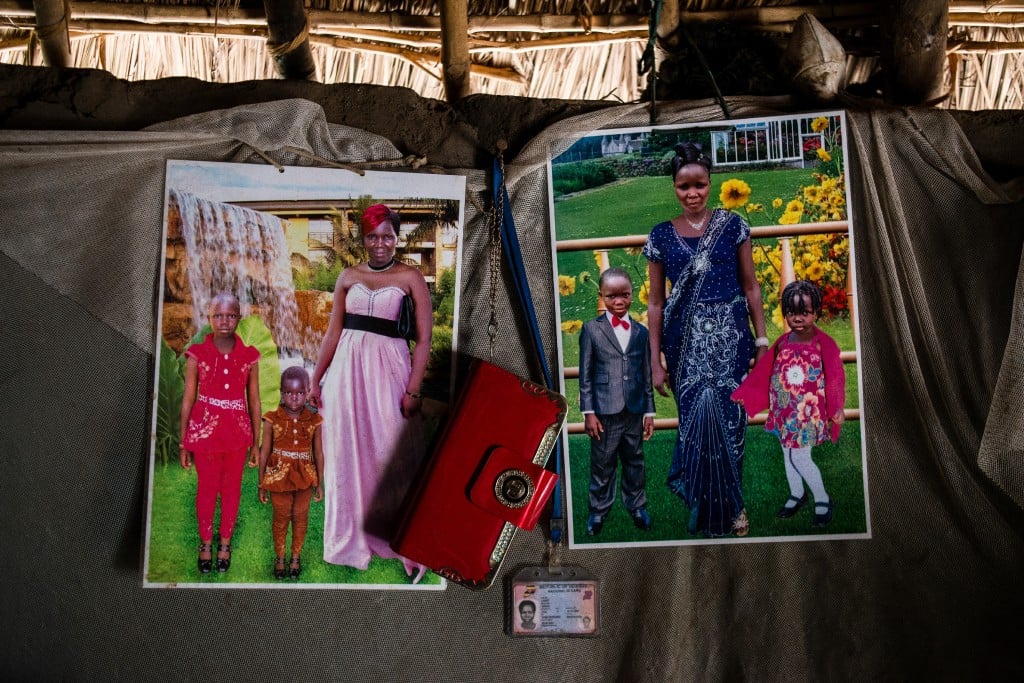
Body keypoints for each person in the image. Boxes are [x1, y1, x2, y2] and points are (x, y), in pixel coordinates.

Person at [643, 142, 768, 538]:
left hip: (732, 341)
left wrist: (762, 340)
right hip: (684, 347)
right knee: (695, 426)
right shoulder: (661, 235)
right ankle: (705, 508)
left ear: (711, 183)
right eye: (684, 186)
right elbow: (656, 303)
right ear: (674, 187)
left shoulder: (733, 226)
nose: (692, 193)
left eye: (699, 184)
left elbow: (751, 287)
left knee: (731, 422)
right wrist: (654, 361)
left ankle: (735, 506)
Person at [309, 203, 433, 580]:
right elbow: (333, 332)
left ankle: (404, 542)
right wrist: (316, 378)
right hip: (345, 373)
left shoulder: (411, 277)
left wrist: (413, 389)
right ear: (363, 239)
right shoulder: (348, 276)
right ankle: (350, 540)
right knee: (346, 451)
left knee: (391, 452)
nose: (380, 244)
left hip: (389, 370)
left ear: (396, 237)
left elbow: (424, 340)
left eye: (387, 236)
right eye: (372, 237)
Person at [732, 280, 846, 527]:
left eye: (805, 312)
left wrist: (837, 407)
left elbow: (836, 377)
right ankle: (797, 493)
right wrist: (747, 392)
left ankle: (823, 499)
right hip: (785, 410)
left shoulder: (823, 343)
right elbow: (764, 371)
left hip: (808, 413)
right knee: (787, 452)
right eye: (792, 312)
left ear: (816, 312)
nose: (798, 318)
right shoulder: (783, 342)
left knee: (800, 457)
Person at [179, 292, 261, 573]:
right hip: (205, 433)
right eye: (218, 316)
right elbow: (188, 399)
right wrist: (184, 442)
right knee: (207, 487)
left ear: (239, 317)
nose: (224, 321)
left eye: (230, 315)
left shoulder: (249, 356)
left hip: (237, 434)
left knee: (231, 488)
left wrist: (256, 442)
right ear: (209, 318)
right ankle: (205, 542)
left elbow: (254, 401)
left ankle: (225, 542)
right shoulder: (197, 354)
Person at [578, 268, 656, 536]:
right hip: (604, 411)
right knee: (603, 462)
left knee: (635, 460)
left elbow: (646, 373)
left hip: (634, 409)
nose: (619, 301)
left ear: (632, 294)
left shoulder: (641, 332)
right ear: (602, 296)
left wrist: (649, 412)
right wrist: (589, 412)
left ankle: (637, 506)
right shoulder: (591, 329)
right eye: (612, 296)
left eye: (625, 295)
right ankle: (598, 511)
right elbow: (585, 375)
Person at [257, 366, 324, 580]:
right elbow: (265, 452)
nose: (294, 397)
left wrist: (319, 483)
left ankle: (295, 556)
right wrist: (261, 482)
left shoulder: (314, 421)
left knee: (300, 516)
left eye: (299, 393)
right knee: (281, 516)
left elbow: (318, 453)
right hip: (278, 477)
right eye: (288, 392)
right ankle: (280, 556)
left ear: (307, 392)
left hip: (305, 476)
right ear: (281, 392)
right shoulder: (271, 420)